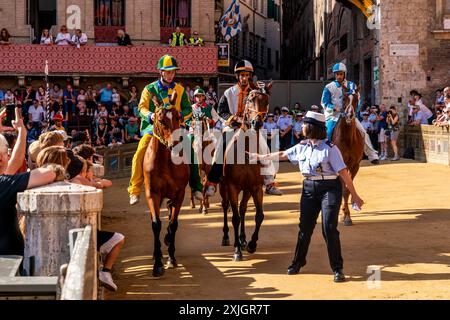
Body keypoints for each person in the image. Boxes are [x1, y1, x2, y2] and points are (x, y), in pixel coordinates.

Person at [247, 111, 364, 282]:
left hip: (329, 188)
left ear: (312, 128)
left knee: (329, 228)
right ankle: (298, 262)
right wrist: (260, 156)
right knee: (305, 228)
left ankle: (337, 268)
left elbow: (344, 173)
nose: (301, 126)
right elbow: (282, 154)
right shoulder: (302, 146)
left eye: (304, 124)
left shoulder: (330, 149)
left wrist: (354, 195)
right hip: (309, 188)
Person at [205, 60, 283, 196]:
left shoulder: (255, 92)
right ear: (237, 76)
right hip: (232, 127)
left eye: (247, 75)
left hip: (250, 128)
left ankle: (269, 182)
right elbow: (221, 110)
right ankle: (212, 182)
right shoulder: (229, 92)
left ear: (250, 76)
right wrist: (235, 119)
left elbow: (262, 106)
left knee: (264, 146)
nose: (244, 78)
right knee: (220, 147)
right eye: (242, 75)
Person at [128, 54, 195, 205]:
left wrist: (180, 116)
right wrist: (150, 115)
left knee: (191, 152)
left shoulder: (180, 89)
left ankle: (196, 186)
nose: (171, 75)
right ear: (161, 72)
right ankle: (134, 190)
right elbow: (141, 108)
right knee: (139, 153)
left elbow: (188, 109)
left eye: (173, 72)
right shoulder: (149, 89)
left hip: (175, 129)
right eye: (168, 71)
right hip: (153, 130)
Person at [0, 107, 64, 257]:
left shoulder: (5, 182)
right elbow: (49, 173)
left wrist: (22, 132)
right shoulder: (4, 184)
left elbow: (14, 163)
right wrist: (54, 158)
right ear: (3, 158)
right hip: (7, 261)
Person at [321, 62, 379, 164]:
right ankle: (325, 156)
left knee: (362, 132)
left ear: (344, 74)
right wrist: (334, 108)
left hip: (349, 114)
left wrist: (353, 111)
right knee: (329, 132)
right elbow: (324, 103)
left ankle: (372, 154)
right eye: (337, 74)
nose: (339, 76)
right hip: (334, 115)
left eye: (341, 74)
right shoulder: (329, 87)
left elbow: (358, 99)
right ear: (335, 75)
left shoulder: (352, 85)